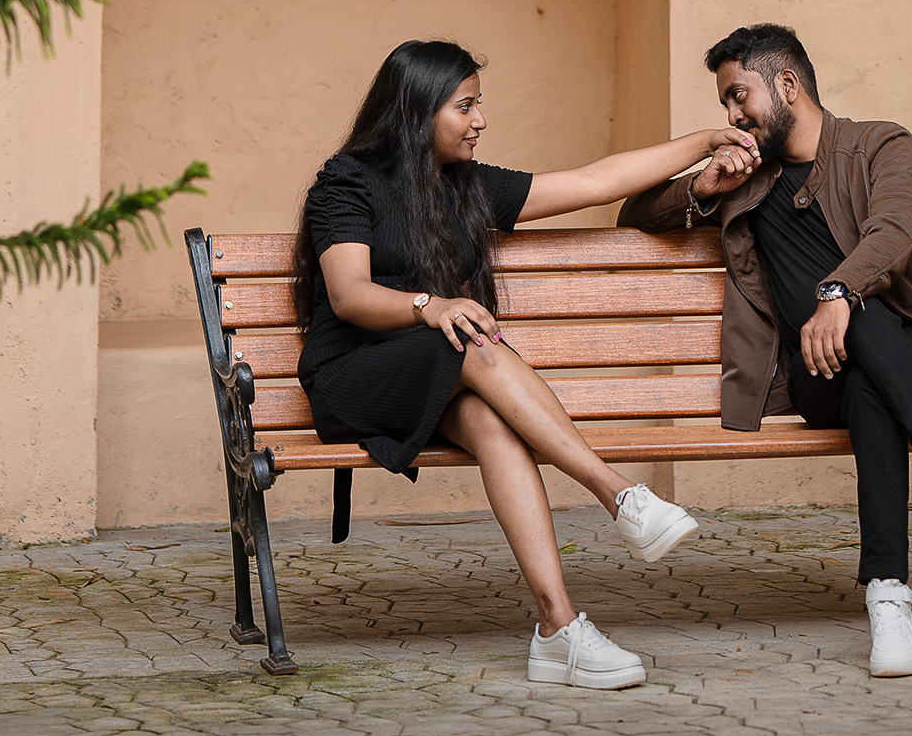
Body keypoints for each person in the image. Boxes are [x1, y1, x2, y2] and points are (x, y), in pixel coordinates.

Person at [294, 38, 760, 691]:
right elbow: (349, 294)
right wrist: (429, 305)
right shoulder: (346, 182)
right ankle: (616, 492)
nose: (479, 119)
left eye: (477, 104)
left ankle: (557, 629)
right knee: (469, 338)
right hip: (355, 377)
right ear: (417, 110)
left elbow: (597, 181)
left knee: (490, 421)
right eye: (464, 106)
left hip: (438, 368)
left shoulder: (469, 187)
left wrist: (707, 141)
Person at [619, 20, 912, 680]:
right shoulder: (746, 178)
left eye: (737, 96)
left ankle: (886, 597)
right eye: (725, 104)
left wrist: (837, 293)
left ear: (786, 84)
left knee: (869, 349)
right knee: (860, 349)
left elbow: (894, 229)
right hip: (815, 379)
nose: (731, 115)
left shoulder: (880, 144)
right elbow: (634, 215)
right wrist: (701, 187)